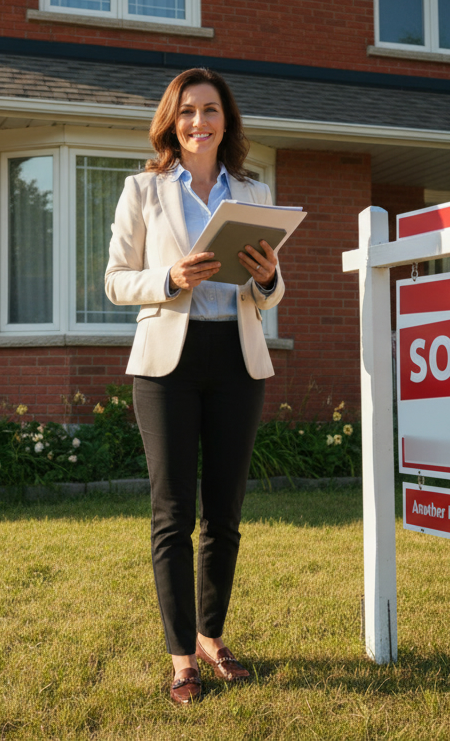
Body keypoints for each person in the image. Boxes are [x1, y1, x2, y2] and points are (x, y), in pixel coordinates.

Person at [104, 67, 285, 705]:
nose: (198, 122)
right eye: (186, 112)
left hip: (237, 360)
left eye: (210, 110)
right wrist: (171, 278)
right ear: (171, 122)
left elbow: (271, 292)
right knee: (173, 515)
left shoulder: (255, 194)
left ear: (226, 120)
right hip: (166, 366)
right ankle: (182, 658)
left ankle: (212, 637)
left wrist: (265, 279)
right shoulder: (142, 190)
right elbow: (115, 280)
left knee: (225, 516)